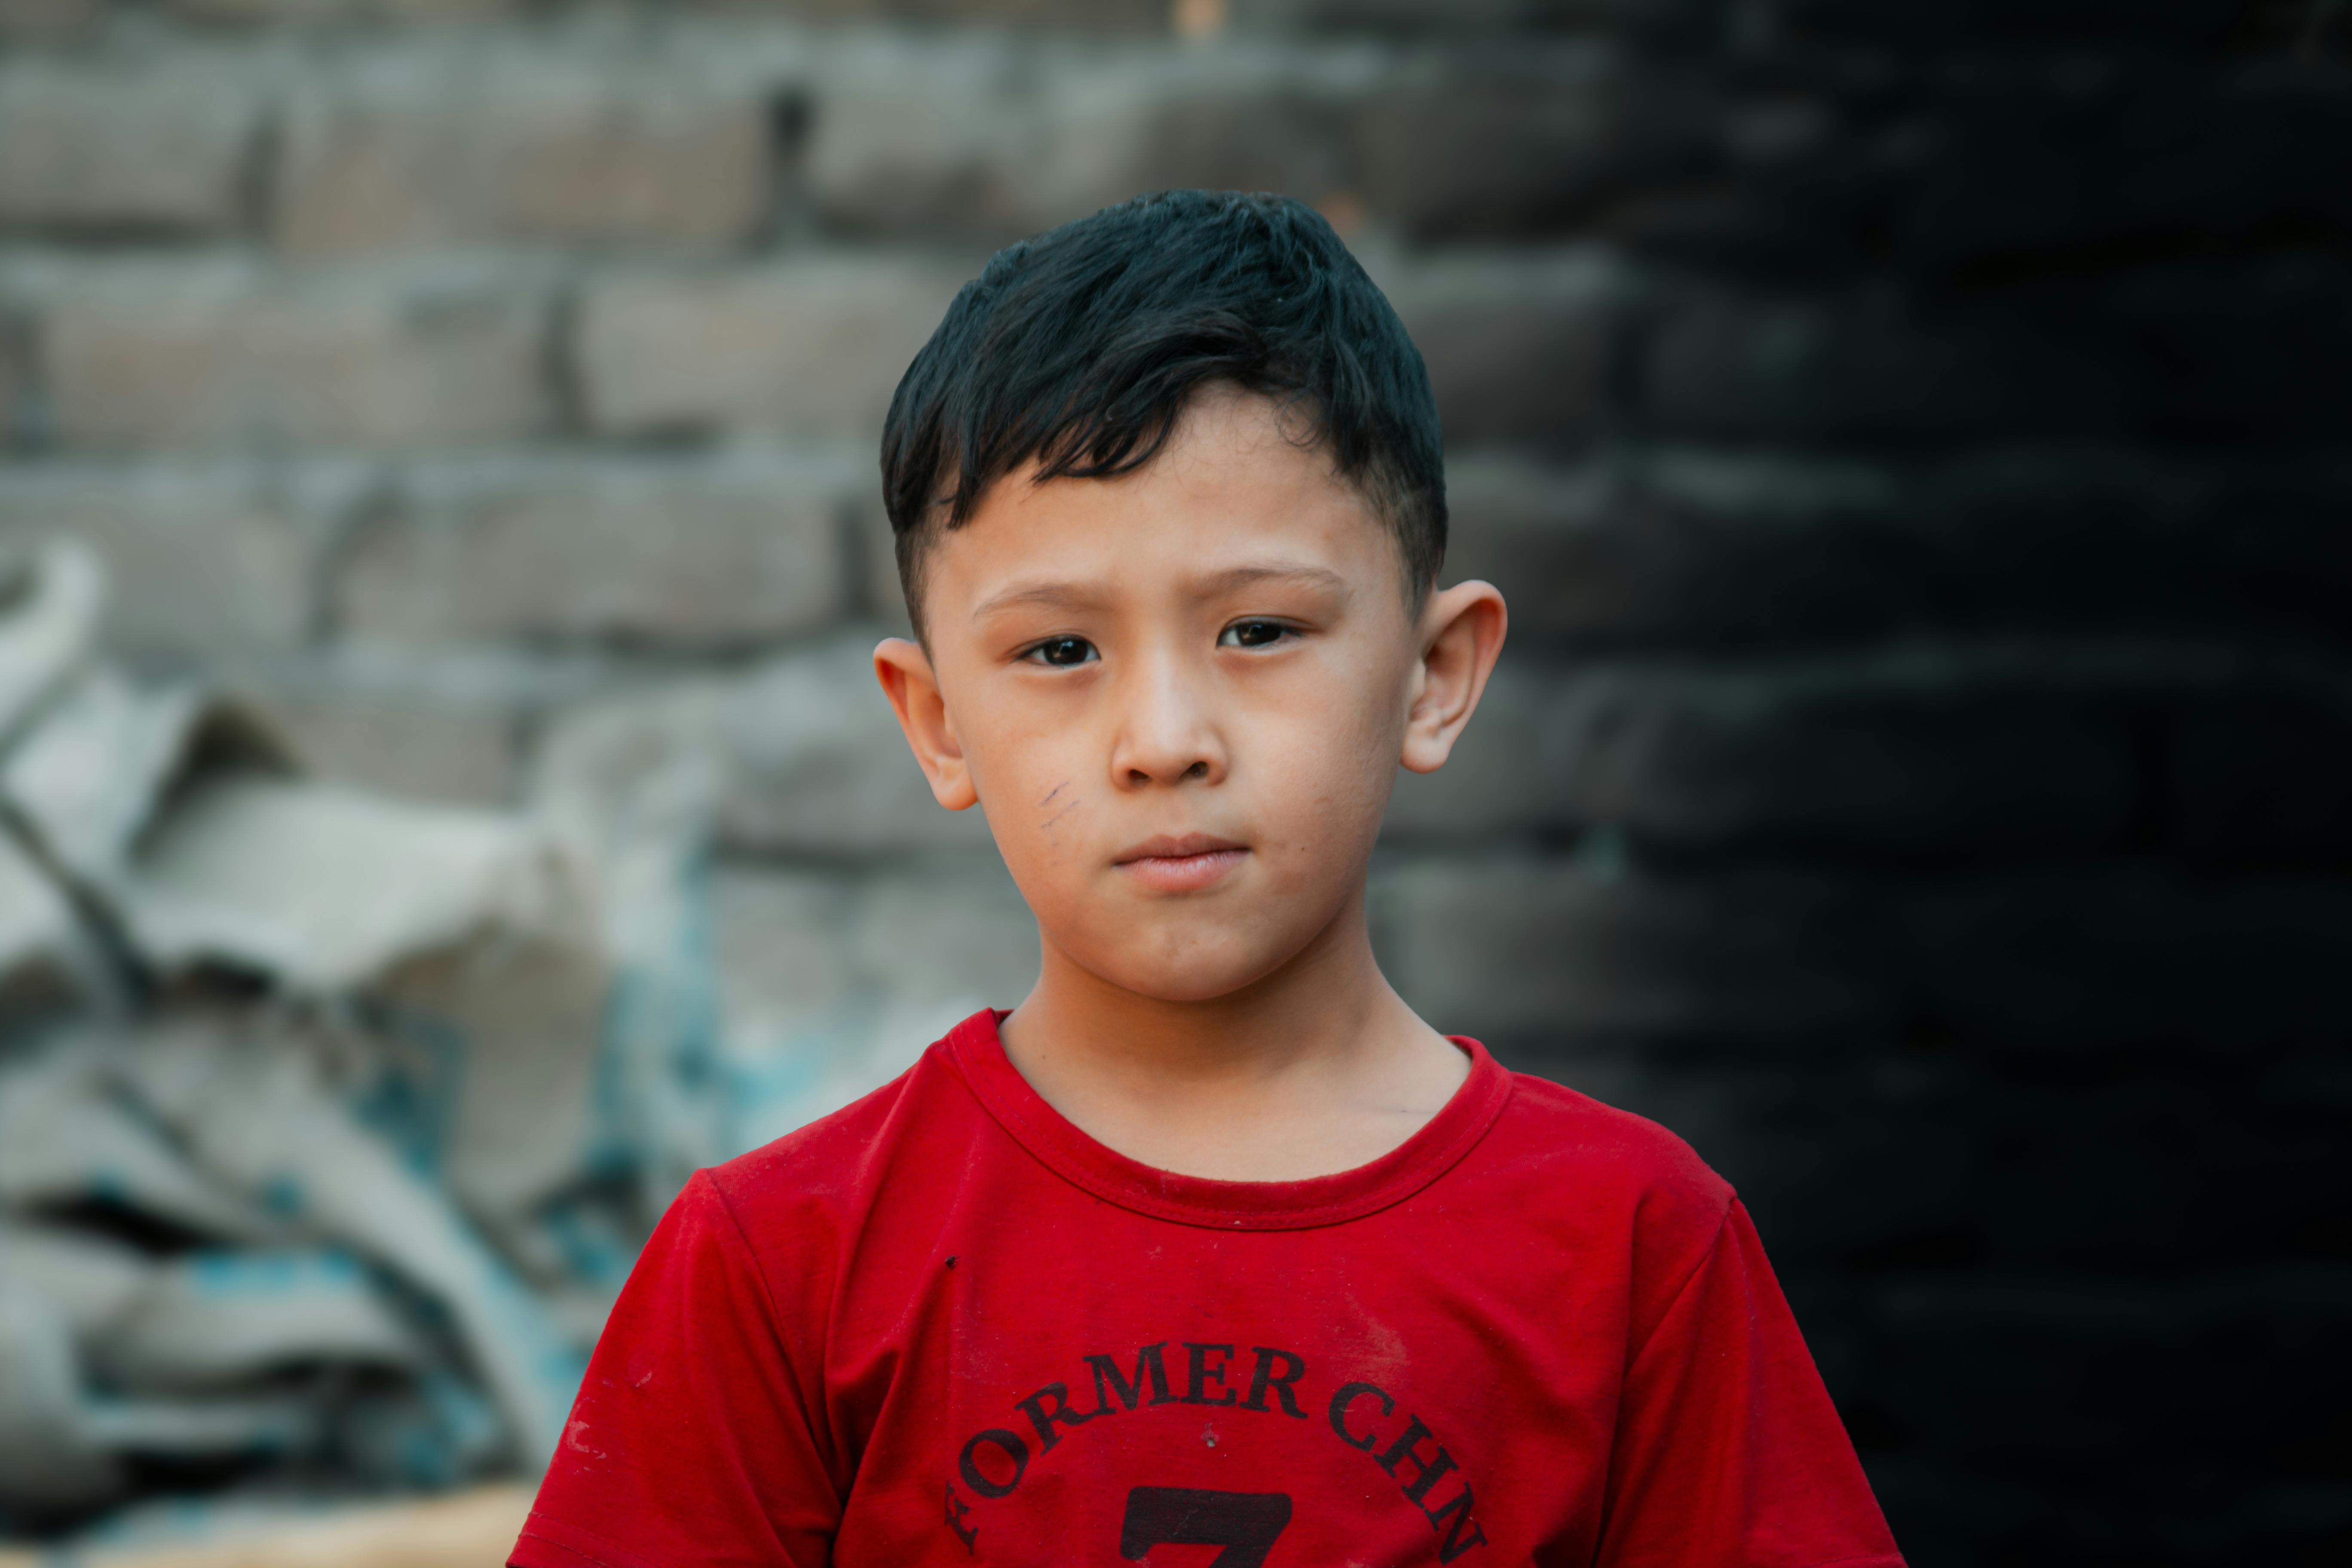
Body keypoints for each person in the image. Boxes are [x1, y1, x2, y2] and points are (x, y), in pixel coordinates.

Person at [508, 190, 1902, 1568]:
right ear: (938, 725)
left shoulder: (1632, 1250)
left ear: (1432, 676)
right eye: (1059, 652)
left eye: (1258, 628)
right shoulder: (783, 1266)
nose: (1164, 741)